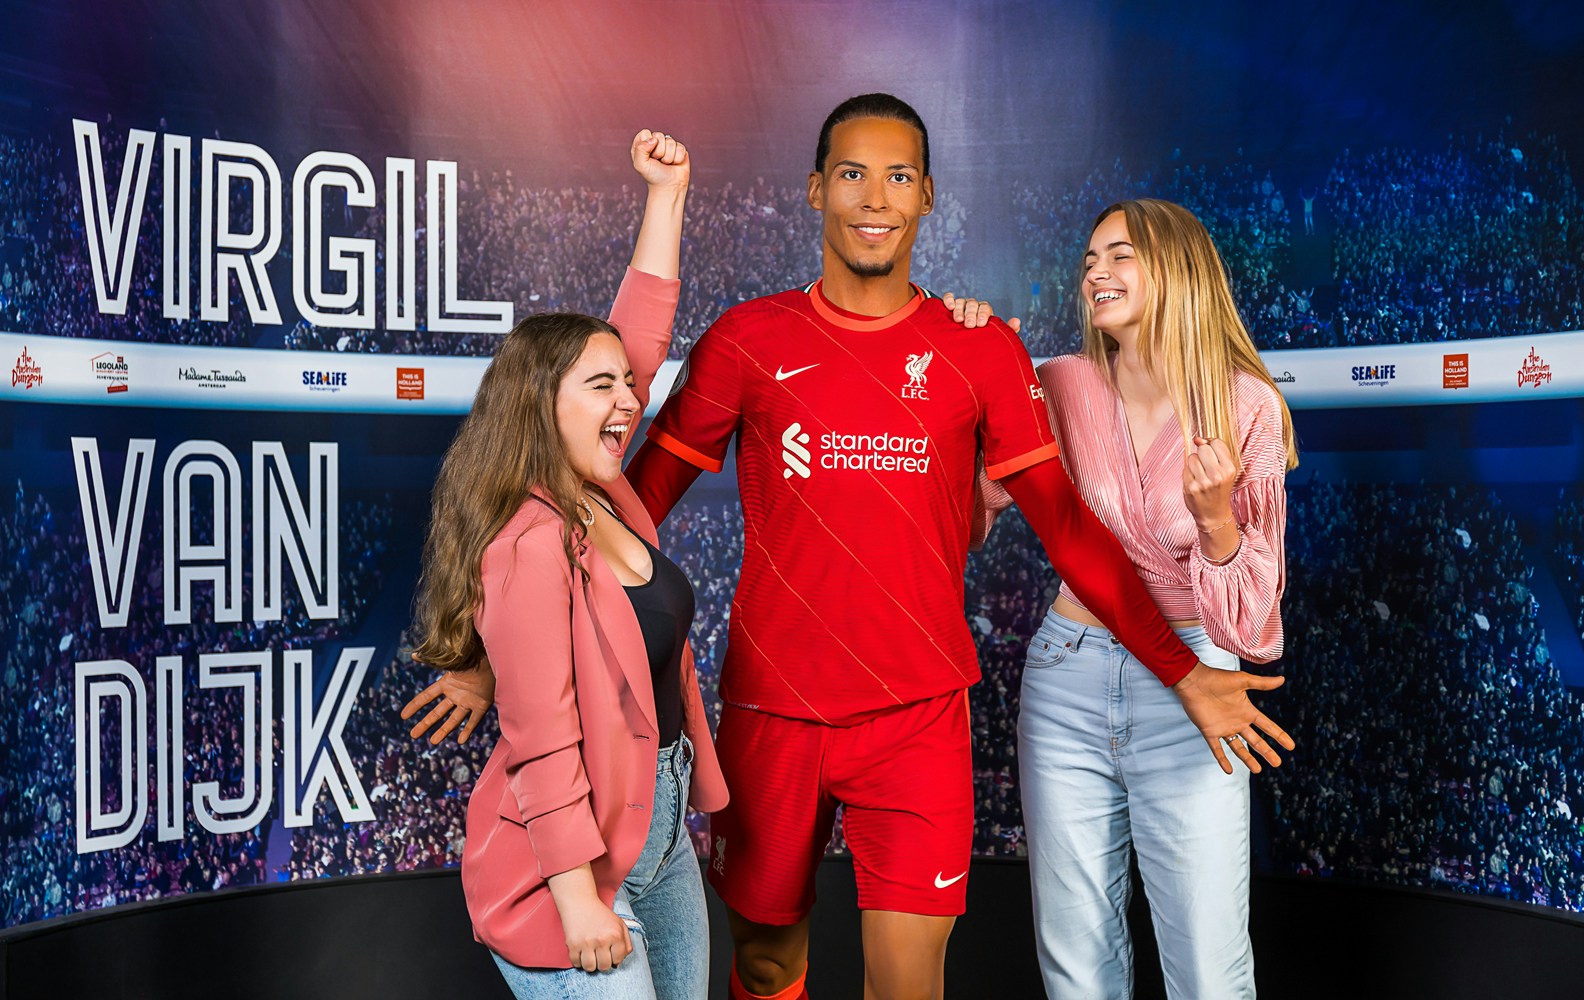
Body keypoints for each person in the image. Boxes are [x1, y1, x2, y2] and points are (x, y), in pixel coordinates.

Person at [414, 95, 1291, 1000]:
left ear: (927, 196)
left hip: (919, 717)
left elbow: (1070, 530)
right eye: (852, 174)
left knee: (908, 981)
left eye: (899, 176)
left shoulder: (979, 349)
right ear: (815, 190)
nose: (875, 197)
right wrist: (492, 656)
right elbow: (613, 512)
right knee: (764, 964)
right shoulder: (746, 340)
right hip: (771, 716)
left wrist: (1185, 673)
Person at [407, 130, 728, 1000]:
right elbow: (543, 738)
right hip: (571, 862)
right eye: (602, 387)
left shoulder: (606, 494)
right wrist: (577, 897)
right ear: (539, 407)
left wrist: (667, 196)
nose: (629, 399)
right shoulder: (527, 542)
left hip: (659, 837)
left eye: (628, 384)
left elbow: (637, 339)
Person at [966, 198, 1298, 998]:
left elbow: (1253, 628)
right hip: (1066, 680)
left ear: (1178, 268)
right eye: (1089, 261)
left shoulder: (1247, 403)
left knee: (1210, 969)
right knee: (1076, 966)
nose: (1096, 273)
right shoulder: (1057, 384)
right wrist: (970, 355)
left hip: (1196, 680)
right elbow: (972, 515)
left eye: (1120, 255)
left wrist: (1217, 523)